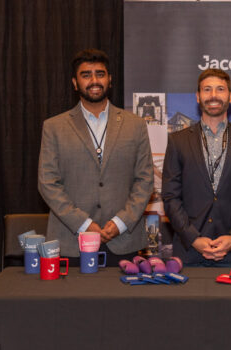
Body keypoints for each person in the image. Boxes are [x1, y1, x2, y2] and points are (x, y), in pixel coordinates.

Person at [38, 48, 153, 265]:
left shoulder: (135, 125)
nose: (94, 80)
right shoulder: (54, 127)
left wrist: (120, 222)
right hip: (72, 242)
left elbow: (145, 181)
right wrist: (84, 224)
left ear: (110, 80)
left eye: (100, 74)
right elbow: (48, 184)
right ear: (75, 83)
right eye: (86, 75)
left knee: (124, 300)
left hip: (123, 241)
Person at [162, 69, 231, 266]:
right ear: (198, 96)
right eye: (207, 90)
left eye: (220, 89)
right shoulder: (178, 141)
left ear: (230, 96)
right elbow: (170, 196)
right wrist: (193, 238)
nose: (214, 95)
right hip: (189, 251)